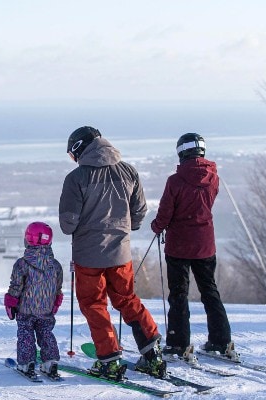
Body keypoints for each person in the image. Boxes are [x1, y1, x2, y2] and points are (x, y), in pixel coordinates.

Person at [59, 126, 166, 380]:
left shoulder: (76, 179)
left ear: (78, 149)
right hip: (121, 254)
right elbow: (139, 213)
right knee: (127, 299)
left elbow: (68, 224)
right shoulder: (129, 171)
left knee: (94, 305)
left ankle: (109, 359)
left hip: (88, 257)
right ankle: (153, 352)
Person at [150, 133, 236, 360]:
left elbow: (165, 213)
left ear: (181, 152)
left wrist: (157, 226)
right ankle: (221, 341)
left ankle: (179, 345)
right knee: (210, 291)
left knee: (179, 295)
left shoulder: (175, 181)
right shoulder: (214, 177)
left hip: (179, 246)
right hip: (205, 243)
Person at [4, 221, 64, 379]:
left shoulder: (22, 264)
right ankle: (50, 362)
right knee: (46, 333)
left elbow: (16, 287)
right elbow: (58, 288)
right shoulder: (55, 265)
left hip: (25, 309)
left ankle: (26, 363)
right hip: (46, 309)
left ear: (27, 239)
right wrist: (55, 302)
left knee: (25, 334)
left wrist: (11, 303)